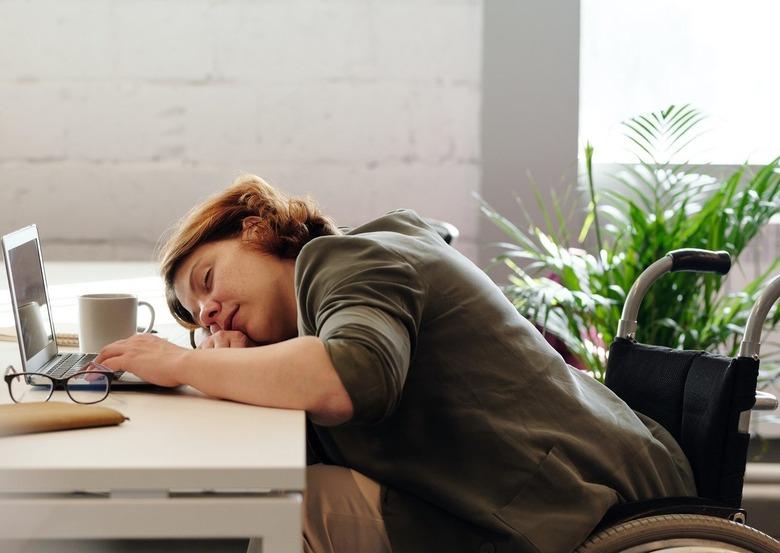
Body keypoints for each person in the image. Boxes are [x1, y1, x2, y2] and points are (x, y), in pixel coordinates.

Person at [94, 174, 696, 553]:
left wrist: (183, 364)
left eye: (206, 280)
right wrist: (235, 372)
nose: (209, 313)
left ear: (256, 231)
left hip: (574, 504)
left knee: (276, 505)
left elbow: (351, 378)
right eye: (196, 315)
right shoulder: (332, 291)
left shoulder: (347, 261)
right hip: (542, 487)